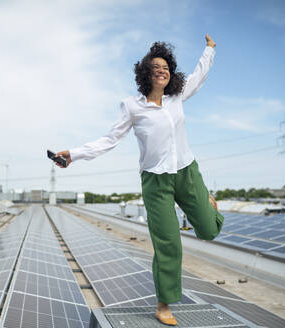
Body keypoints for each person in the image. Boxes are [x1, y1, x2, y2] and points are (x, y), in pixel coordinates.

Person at [55, 34, 223, 326]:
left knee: (209, 230)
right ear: (146, 73)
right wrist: (75, 154)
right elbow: (109, 140)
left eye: (166, 66)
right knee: (168, 244)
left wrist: (209, 49)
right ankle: (164, 305)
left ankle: (208, 203)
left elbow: (199, 75)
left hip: (186, 172)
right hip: (156, 182)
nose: (162, 70)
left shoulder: (176, 98)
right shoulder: (132, 106)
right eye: (156, 66)